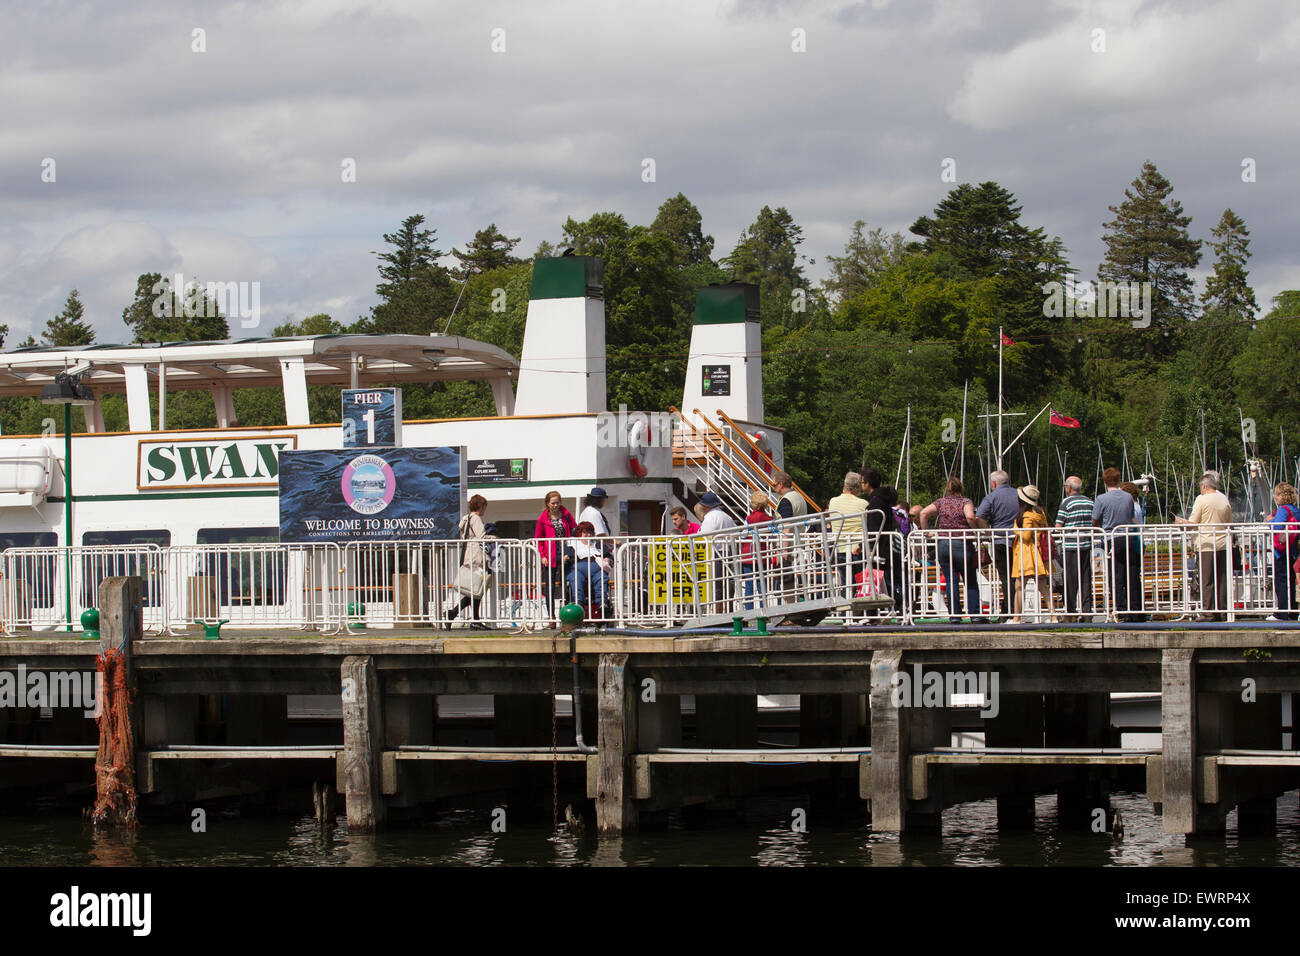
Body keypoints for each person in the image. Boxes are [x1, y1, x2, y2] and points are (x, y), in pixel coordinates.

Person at [919, 476, 981, 621]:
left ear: (947, 489)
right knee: (970, 580)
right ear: (961, 488)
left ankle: (954, 615)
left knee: (950, 580)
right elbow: (970, 517)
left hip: (943, 544)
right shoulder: (965, 502)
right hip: (962, 542)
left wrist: (926, 532)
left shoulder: (941, 502)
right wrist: (975, 531)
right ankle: (975, 614)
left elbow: (923, 513)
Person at [1175, 472, 1233, 621]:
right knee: (1221, 579)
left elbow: (1193, 522)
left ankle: (1208, 612)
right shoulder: (1223, 498)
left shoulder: (1202, 499)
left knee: (1207, 580)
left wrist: (1180, 523)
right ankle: (1222, 610)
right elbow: (1230, 522)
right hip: (1223, 543)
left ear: (1204, 486)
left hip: (1207, 543)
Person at [976, 470, 1020, 619]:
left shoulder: (991, 497)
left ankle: (1009, 611)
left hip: (1000, 540)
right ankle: (1012, 609)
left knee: (1006, 577)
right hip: (1019, 540)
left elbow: (979, 517)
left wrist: (988, 533)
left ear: (994, 483)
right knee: (1018, 578)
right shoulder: (1019, 494)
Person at [447, 495, 492, 625]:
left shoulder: (466, 519)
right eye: (484, 507)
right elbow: (481, 537)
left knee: (474, 590)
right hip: (477, 558)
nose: (485, 510)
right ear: (481, 506)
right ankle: (455, 614)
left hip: (469, 556)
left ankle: (472, 618)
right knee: (477, 590)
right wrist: (494, 537)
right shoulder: (476, 518)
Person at [1054, 476, 1095, 620]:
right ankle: (1087, 612)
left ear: (1069, 488)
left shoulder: (1066, 502)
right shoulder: (1089, 502)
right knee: (1085, 579)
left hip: (1071, 544)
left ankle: (1070, 612)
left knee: (1071, 581)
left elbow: (1059, 526)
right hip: (1086, 545)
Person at [1010, 485, 1051, 623]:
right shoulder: (1040, 513)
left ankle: (1016, 618)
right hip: (1038, 553)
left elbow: (1026, 536)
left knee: (1019, 586)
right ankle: (1053, 615)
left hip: (1026, 554)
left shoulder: (1026, 516)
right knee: (1043, 587)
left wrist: (1015, 528)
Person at [534, 490, 577, 612]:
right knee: (550, 586)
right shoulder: (542, 519)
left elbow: (575, 530)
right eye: (552, 503)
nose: (555, 505)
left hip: (566, 552)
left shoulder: (566, 515)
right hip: (550, 555)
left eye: (557, 503)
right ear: (547, 503)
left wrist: (570, 552)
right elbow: (539, 539)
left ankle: (568, 613)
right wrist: (542, 556)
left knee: (567, 583)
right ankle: (551, 615)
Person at [827, 471, 869, 593]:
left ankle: (846, 611)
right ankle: (860, 610)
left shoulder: (833, 501)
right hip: (858, 549)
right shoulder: (864, 504)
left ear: (845, 485)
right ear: (858, 487)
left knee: (847, 584)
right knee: (861, 585)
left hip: (840, 547)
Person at [566, 521, 613, 618]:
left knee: (601, 578)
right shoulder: (573, 543)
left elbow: (609, 555)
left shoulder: (598, 544)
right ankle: (578, 602)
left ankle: (602, 602)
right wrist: (566, 557)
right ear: (579, 534)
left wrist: (608, 558)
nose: (588, 535)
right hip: (579, 567)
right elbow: (568, 556)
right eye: (585, 533)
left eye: (590, 532)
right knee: (575, 578)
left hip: (596, 567)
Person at [1268, 482, 1300, 621]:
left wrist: (1269, 521)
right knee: (1291, 582)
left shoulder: (1283, 510)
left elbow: (1277, 526)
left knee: (1281, 581)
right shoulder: (1296, 510)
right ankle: (1292, 610)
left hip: (1282, 551)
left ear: (1281, 496)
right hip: (1293, 550)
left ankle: (1281, 613)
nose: (1275, 497)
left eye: (1276, 494)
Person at [741, 490, 772, 609]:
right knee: (761, 584)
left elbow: (743, 535)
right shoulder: (769, 519)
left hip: (748, 554)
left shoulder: (749, 518)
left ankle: (749, 611)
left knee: (749, 584)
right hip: (762, 555)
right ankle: (764, 610)